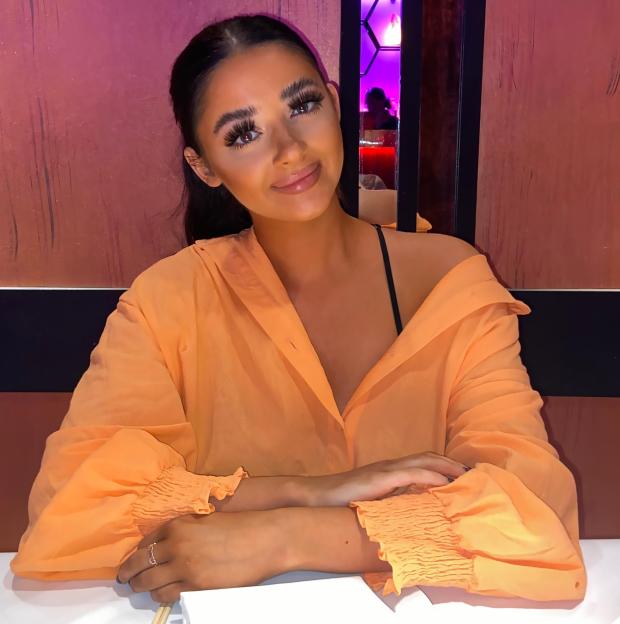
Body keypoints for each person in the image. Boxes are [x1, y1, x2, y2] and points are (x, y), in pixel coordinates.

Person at [11, 14, 586, 605]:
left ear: (335, 103)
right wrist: (314, 492)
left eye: (302, 105)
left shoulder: (448, 281)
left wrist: (285, 535)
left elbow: (534, 508)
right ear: (204, 166)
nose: (289, 150)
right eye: (242, 134)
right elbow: (72, 505)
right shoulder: (168, 299)